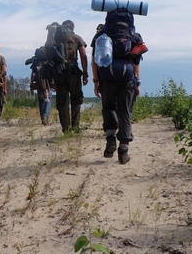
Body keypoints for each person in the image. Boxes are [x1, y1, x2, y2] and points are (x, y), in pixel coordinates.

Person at [90, 9, 142, 165]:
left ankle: (111, 138)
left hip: (107, 76)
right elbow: (136, 62)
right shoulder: (134, 36)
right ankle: (124, 150)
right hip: (128, 78)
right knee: (125, 112)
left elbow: (95, 61)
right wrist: (137, 82)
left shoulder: (101, 34)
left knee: (108, 107)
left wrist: (96, 81)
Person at [52, 19, 88, 133]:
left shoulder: (55, 38)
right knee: (76, 99)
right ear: (73, 27)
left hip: (59, 72)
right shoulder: (76, 37)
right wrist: (85, 73)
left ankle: (65, 129)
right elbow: (83, 56)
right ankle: (75, 126)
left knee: (62, 100)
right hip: (73, 71)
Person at [26, 46, 53, 125]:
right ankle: (45, 117)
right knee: (48, 100)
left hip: (38, 83)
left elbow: (33, 74)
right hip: (47, 83)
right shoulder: (48, 61)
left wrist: (31, 84)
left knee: (41, 101)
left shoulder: (35, 62)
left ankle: (42, 117)